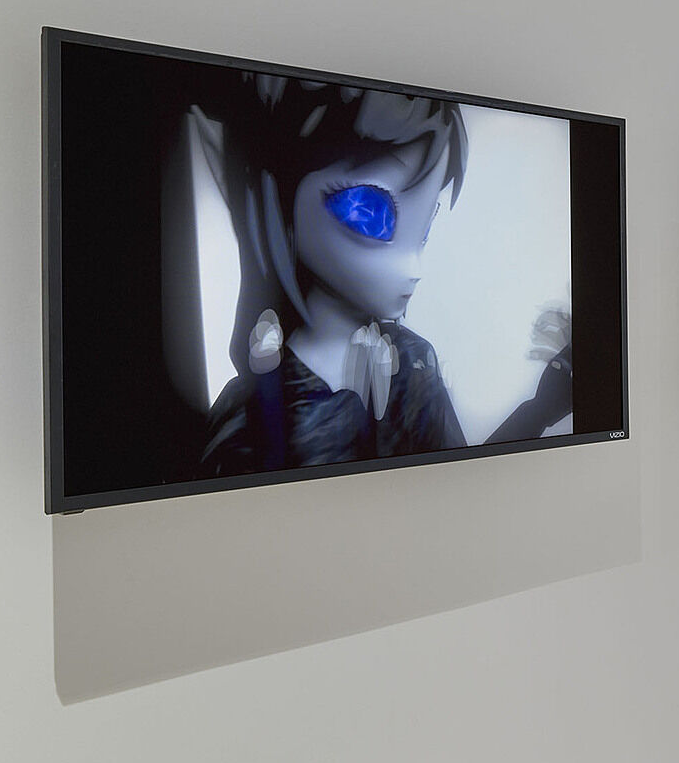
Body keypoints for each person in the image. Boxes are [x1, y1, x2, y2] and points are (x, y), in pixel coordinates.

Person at [189, 72, 571, 475]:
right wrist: (361, 422)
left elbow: (459, 483)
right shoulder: (248, 411)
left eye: (423, 230)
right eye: (369, 213)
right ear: (276, 197)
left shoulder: (413, 359)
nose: (413, 266)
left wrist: (541, 409)